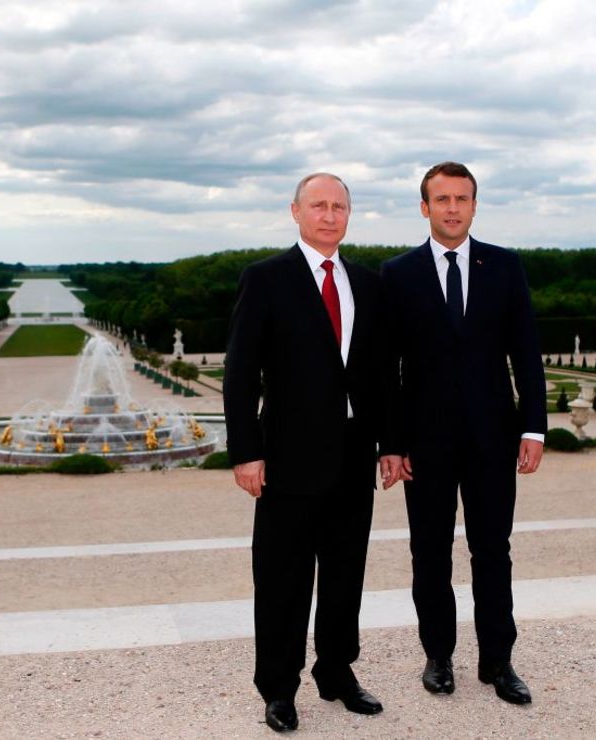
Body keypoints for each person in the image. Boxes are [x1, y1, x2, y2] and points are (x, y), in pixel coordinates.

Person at [224, 173, 397, 733]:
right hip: (287, 457)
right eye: (318, 206)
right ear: (294, 212)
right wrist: (246, 453)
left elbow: (381, 376)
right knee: (282, 579)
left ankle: (337, 673)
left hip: (353, 456)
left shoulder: (368, 285)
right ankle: (278, 687)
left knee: (346, 574)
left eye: (339, 207)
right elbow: (240, 372)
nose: (329, 215)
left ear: (350, 216)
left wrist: (391, 444)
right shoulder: (266, 279)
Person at [379, 161, 547, 705]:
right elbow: (387, 368)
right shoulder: (397, 274)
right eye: (442, 199)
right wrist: (392, 443)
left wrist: (535, 428)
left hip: (493, 437)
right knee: (429, 553)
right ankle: (438, 656)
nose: (453, 208)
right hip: (425, 442)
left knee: (492, 551)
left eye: (462, 198)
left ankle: (498, 662)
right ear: (424, 207)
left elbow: (526, 353)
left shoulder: (504, 266)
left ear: (475, 206)